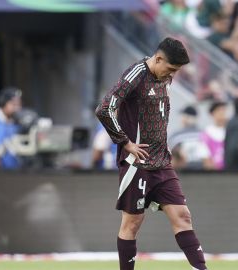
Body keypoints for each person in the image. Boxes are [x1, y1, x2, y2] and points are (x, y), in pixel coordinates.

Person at [95, 37, 207, 270]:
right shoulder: (135, 74)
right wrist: (125, 142)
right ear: (157, 59)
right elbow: (105, 108)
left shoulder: (163, 76)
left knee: (183, 216)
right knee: (132, 222)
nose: (173, 75)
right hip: (138, 163)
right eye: (171, 68)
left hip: (162, 162)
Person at [168, 105, 208, 170]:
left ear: (187, 118)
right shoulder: (204, 133)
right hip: (203, 170)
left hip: (182, 172)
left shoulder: (176, 135)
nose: (181, 118)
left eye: (183, 116)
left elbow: (169, 154)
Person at [201, 101, 228, 170]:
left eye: (224, 110)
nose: (222, 113)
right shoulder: (207, 133)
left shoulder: (231, 130)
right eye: (219, 110)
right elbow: (205, 158)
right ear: (212, 113)